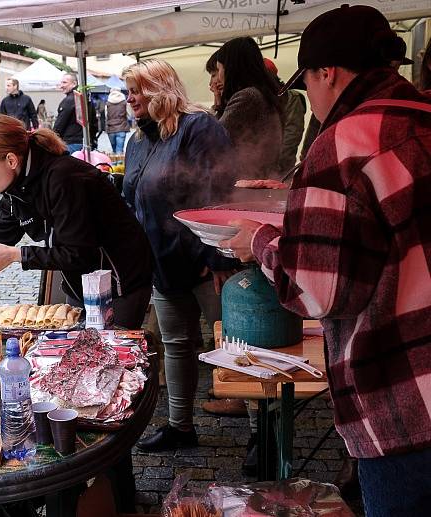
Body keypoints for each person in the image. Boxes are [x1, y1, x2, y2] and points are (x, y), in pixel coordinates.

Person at [223, 6, 431, 516]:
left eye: (308, 84)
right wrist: (301, 194)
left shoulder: (342, 140)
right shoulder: (422, 120)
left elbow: (320, 289)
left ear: (327, 73)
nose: (310, 100)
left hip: (407, 410)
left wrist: (262, 243)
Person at [119, 60, 237, 452]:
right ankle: (180, 426)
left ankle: (260, 432)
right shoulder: (137, 141)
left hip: (205, 262)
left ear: (160, 87)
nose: (130, 98)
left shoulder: (197, 127)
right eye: (128, 91)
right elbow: (132, 200)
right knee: (176, 343)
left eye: (136, 89)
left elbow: (219, 191)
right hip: (162, 261)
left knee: (236, 346)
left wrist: (217, 257)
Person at [0, 114, 153, 329]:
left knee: (112, 356)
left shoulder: (65, 178)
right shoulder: (17, 188)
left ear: (11, 160)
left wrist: (17, 255)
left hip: (119, 285)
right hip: (80, 285)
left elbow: (77, 252)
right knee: (77, 354)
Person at [212, 38, 283, 182]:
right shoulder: (261, 92)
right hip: (260, 176)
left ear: (232, 68)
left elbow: (215, 137)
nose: (218, 78)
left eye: (219, 69)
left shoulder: (247, 97)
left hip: (248, 180)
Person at [264, 58, 306, 175]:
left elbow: (292, 133)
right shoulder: (261, 96)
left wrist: (278, 166)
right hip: (262, 168)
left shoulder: (291, 97)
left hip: (280, 169)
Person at [54, 73, 95, 153]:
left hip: (71, 142)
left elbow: (59, 125)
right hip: (84, 141)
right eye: (61, 82)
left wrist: (52, 139)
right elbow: (94, 122)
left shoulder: (70, 100)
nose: (61, 85)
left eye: (64, 82)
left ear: (74, 84)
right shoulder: (85, 98)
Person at [105, 88, 130, 153]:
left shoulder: (108, 103)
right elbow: (129, 114)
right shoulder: (124, 102)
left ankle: (114, 162)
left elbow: (106, 115)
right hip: (121, 128)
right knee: (119, 150)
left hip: (111, 128)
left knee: (114, 150)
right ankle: (119, 162)